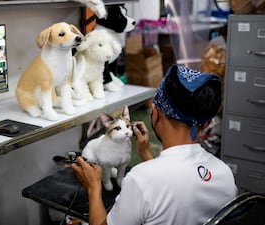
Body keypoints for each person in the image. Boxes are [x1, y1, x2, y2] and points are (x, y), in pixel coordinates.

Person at [71, 64, 237, 225]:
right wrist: (145, 154)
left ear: (156, 113)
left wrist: (93, 187)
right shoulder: (225, 174)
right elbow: (177, 183)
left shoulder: (141, 179)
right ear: (207, 124)